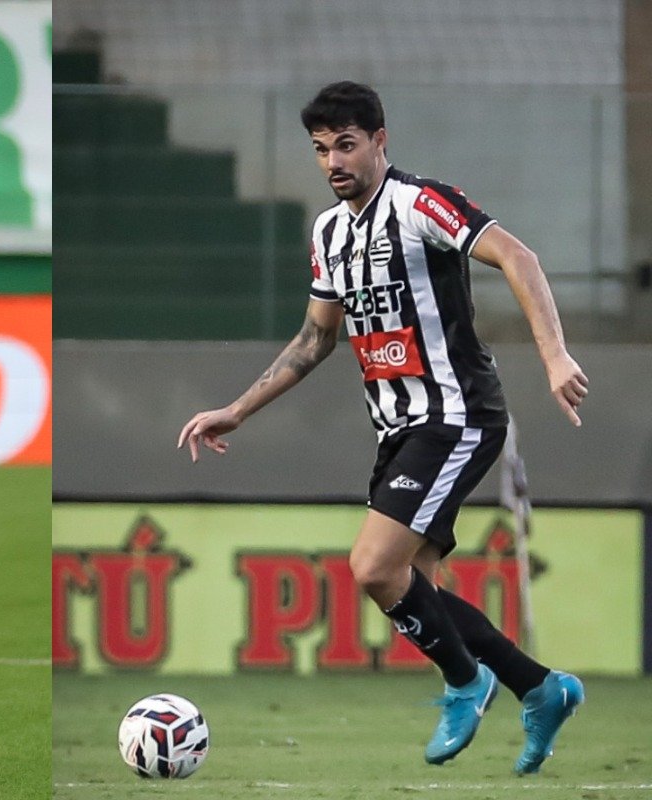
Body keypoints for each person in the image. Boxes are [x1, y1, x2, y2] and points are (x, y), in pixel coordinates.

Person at [177, 81, 587, 773]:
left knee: (371, 567)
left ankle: (467, 683)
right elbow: (315, 340)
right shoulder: (328, 233)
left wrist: (554, 356)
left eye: (346, 144)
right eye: (320, 149)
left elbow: (520, 257)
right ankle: (540, 689)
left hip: (454, 414)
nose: (333, 160)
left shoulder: (422, 203)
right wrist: (237, 410)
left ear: (379, 141)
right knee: (416, 584)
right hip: (398, 428)